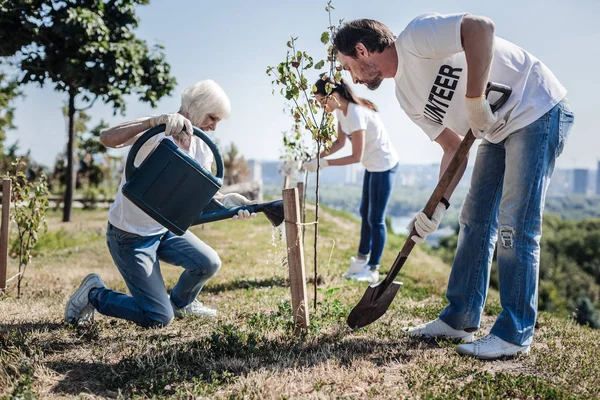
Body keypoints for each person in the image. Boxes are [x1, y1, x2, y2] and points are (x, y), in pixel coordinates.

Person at [333, 13, 574, 359]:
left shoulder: (416, 39)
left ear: (361, 50)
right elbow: (451, 147)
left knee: (515, 225)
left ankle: (514, 334)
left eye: (347, 66)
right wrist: (438, 207)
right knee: (474, 220)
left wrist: (474, 100)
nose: (350, 77)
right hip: (494, 129)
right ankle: (459, 318)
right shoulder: (406, 97)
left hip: (535, 108)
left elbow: (481, 28)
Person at [65, 80, 258, 328]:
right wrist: (153, 122)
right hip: (130, 236)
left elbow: (199, 195)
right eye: (212, 117)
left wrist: (228, 202)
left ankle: (181, 304)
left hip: (164, 230)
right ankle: (94, 294)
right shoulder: (157, 132)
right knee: (157, 317)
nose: (214, 126)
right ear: (196, 107)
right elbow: (107, 138)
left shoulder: (203, 149)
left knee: (208, 263)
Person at [303, 78, 399, 284]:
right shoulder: (340, 112)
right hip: (372, 166)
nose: (321, 107)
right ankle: (361, 259)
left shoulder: (355, 113)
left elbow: (356, 156)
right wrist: (317, 157)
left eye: (321, 101)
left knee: (376, 219)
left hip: (384, 165)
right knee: (365, 212)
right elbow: (339, 142)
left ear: (333, 96)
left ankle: (373, 269)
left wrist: (324, 164)